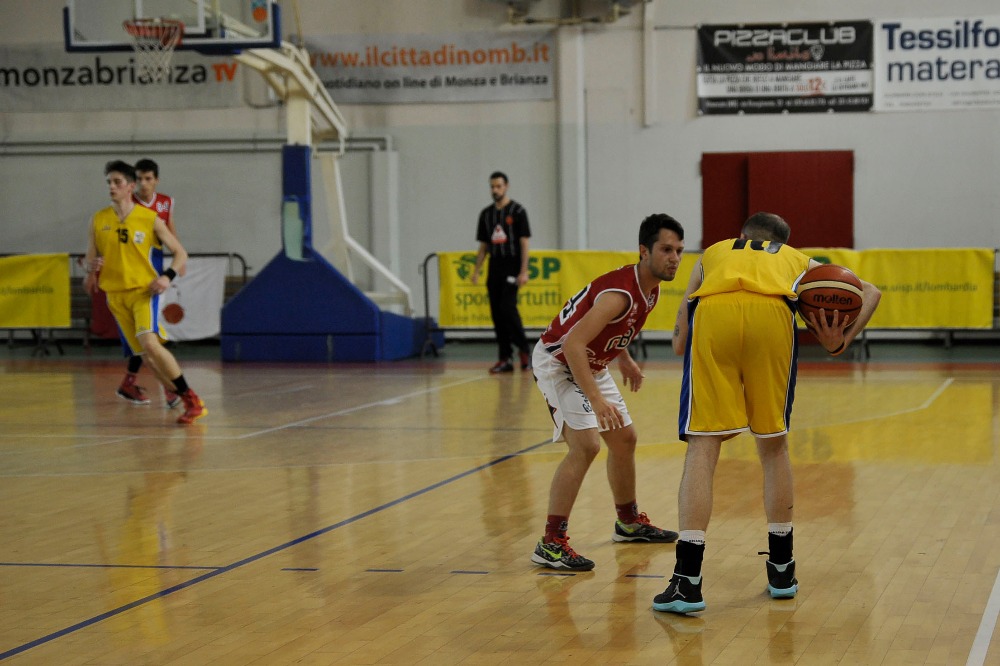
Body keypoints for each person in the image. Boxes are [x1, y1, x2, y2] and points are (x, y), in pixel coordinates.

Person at [652, 211, 881, 614]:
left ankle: (687, 581)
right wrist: (840, 340)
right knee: (774, 446)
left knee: (702, 447)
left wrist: (683, 342)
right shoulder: (794, 258)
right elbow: (871, 292)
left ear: (741, 236)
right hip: (772, 317)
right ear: (781, 241)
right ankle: (781, 569)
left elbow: (682, 327)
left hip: (715, 315)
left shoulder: (714, 252)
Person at [530, 213, 686, 572]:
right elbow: (573, 344)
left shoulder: (649, 288)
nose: (675, 258)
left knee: (624, 439)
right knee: (586, 445)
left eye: (678, 250)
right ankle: (550, 543)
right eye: (666, 250)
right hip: (560, 361)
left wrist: (624, 359)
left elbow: (614, 328)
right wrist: (597, 400)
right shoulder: (619, 294)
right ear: (644, 251)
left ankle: (628, 523)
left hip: (591, 360)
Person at [83, 160, 207, 426]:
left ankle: (192, 398)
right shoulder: (98, 219)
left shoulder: (149, 218)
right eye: (109, 182)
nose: (111, 187)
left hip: (143, 291)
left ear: (130, 186)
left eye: (117, 182)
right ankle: (184, 399)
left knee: (150, 344)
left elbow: (180, 253)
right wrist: (90, 268)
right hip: (115, 296)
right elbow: (89, 259)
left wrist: (167, 277)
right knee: (146, 357)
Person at [113, 157, 181, 408]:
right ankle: (170, 388)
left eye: (148, 178)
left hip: (153, 277)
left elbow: (170, 231)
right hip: (131, 279)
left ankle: (131, 382)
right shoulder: (127, 205)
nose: (143, 183)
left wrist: (178, 256)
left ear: (156, 180)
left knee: (146, 337)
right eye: (139, 178)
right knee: (148, 338)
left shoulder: (165, 203)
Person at [471, 171, 533, 374]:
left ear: (506, 186)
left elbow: (524, 243)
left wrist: (523, 271)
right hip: (494, 266)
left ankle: (524, 350)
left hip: (512, 265)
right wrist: (477, 270)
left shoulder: (518, 211)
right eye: (492, 187)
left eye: (498, 186)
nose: (495, 190)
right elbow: (484, 246)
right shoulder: (486, 214)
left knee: (508, 307)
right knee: (496, 313)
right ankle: (504, 357)